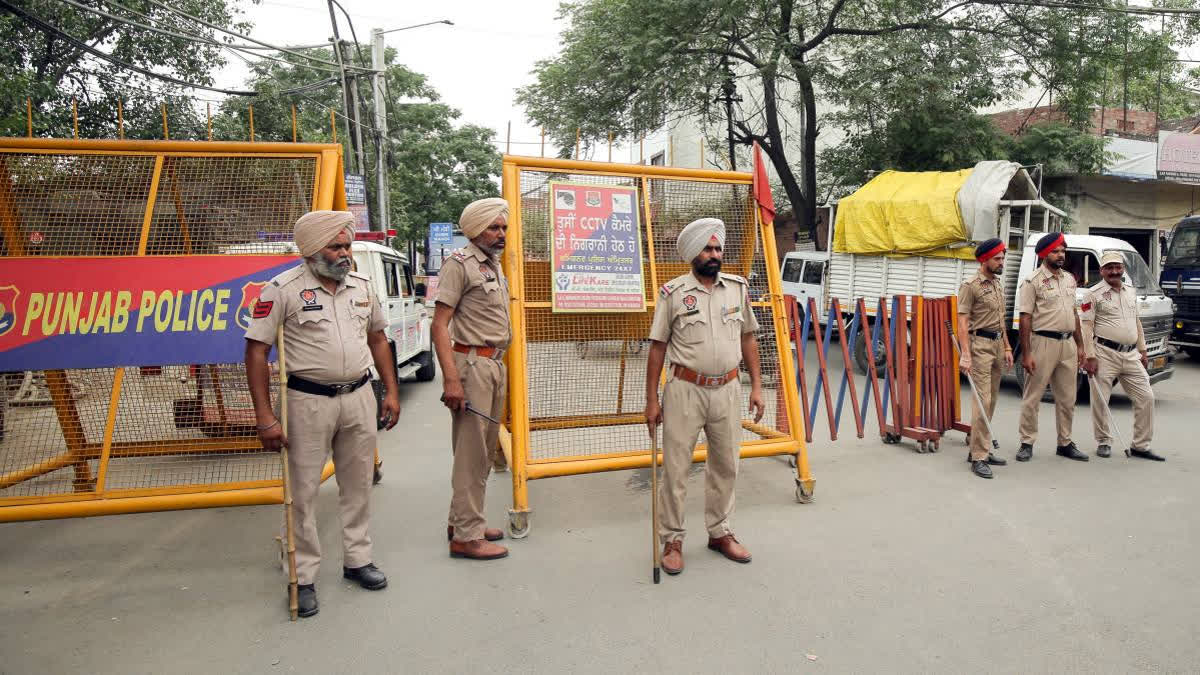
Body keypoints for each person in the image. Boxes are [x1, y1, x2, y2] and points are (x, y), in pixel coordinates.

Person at [245, 210, 400, 618]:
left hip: (359, 396)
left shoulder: (363, 287)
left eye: (347, 245)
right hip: (306, 401)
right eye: (336, 246)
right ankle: (304, 574)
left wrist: (391, 391)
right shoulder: (282, 290)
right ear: (313, 250)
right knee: (303, 492)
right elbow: (257, 352)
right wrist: (265, 417)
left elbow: (379, 339)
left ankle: (357, 560)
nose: (345, 253)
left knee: (358, 483)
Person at [644, 217, 765, 576]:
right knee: (677, 468)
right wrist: (651, 400)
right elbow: (657, 348)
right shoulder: (674, 293)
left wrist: (757, 387)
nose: (714, 254)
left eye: (717, 248)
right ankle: (673, 540)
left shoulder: (738, 289)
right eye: (707, 249)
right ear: (693, 254)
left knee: (727, 463)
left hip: (727, 389)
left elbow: (748, 339)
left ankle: (719, 532)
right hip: (684, 390)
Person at [432, 197, 512, 560]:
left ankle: (465, 521)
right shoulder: (459, 264)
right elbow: (439, 325)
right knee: (470, 452)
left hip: (494, 365)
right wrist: (451, 380)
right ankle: (465, 537)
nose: (500, 234)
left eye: (503, 227)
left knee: (482, 451)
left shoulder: (493, 266)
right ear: (475, 229)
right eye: (494, 227)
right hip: (472, 366)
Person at [1080, 252, 1164, 461]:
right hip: (1104, 353)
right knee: (1100, 400)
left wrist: (1143, 350)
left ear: (1123, 269)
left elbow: (1136, 321)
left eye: (1118, 267)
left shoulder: (1130, 291)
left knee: (1146, 397)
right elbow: (1086, 326)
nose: (1114, 271)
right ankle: (1104, 441)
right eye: (1109, 267)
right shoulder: (1093, 294)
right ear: (1102, 271)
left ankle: (1141, 445)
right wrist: (1089, 356)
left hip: (1131, 354)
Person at [1016, 232, 1089, 462]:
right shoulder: (1032, 281)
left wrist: (1080, 345)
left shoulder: (1069, 279)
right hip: (1042, 343)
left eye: (1063, 251)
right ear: (1043, 254)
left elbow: (1074, 314)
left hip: (1067, 344)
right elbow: (1025, 318)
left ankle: (1065, 443)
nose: (1061, 255)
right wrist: (1026, 353)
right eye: (1056, 251)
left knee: (1068, 398)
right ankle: (1027, 442)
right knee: (1033, 396)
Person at [956, 238, 1014, 479]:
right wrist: (966, 355)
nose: (1002, 262)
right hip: (979, 345)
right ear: (984, 259)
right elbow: (962, 322)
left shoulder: (997, 284)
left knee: (991, 402)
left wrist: (1008, 348)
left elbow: (1001, 320)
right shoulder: (970, 286)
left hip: (997, 345)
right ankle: (979, 456)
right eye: (997, 258)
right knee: (982, 402)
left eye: (1002, 258)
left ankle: (981, 447)